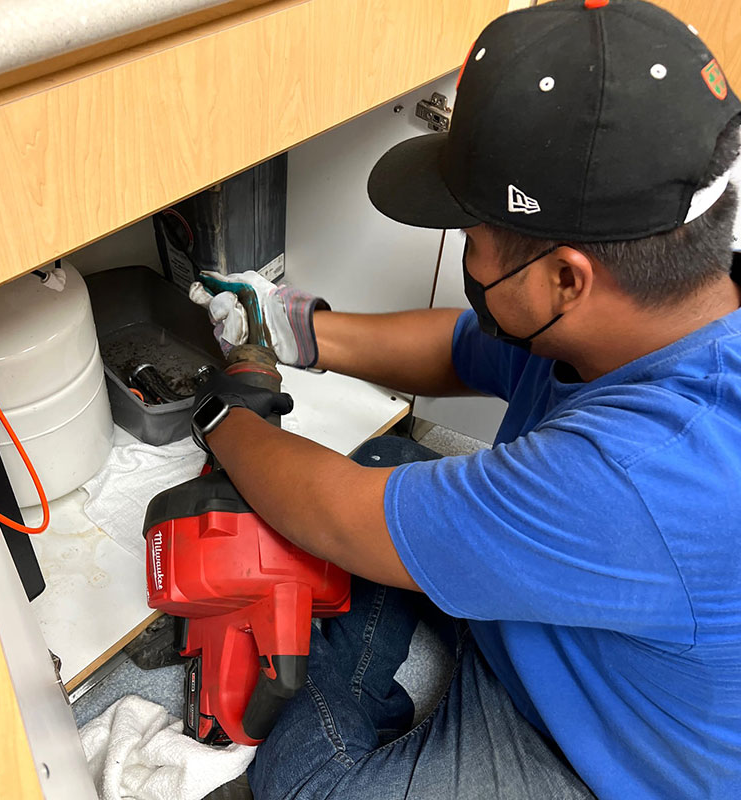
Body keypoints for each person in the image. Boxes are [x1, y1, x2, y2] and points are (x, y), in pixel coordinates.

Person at [190, 1, 741, 797]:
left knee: (303, 780)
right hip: (581, 630)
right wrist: (292, 330)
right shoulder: (668, 309)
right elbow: (460, 346)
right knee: (384, 462)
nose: (467, 257)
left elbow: (336, 514)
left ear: (566, 278)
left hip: (602, 754)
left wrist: (225, 416)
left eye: (475, 237)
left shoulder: (642, 475)